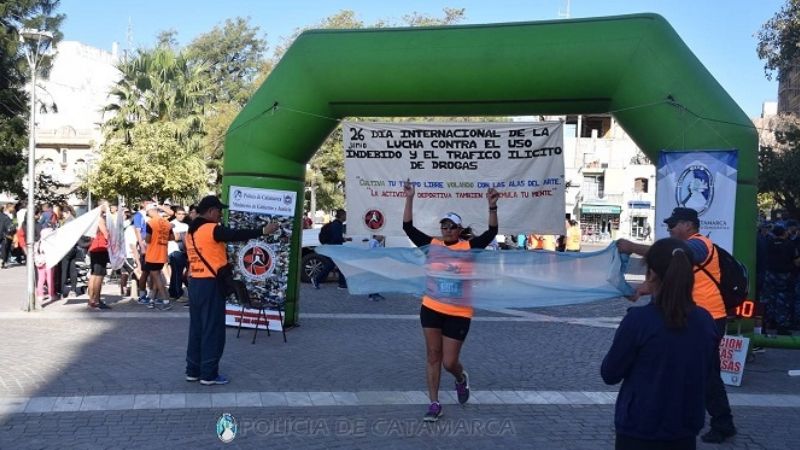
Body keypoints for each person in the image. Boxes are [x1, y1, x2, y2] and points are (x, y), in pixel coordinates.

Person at [617, 207, 737, 444]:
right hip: (687, 314)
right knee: (679, 370)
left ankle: (723, 423)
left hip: (707, 317)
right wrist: (643, 289)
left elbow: (673, 254)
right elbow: (669, 273)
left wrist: (632, 247)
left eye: (674, 225)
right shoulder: (685, 246)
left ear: (689, 225)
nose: (670, 229)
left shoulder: (701, 245)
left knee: (708, 373)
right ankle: (674, 417)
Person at [602, 238, 718, 450]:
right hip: (684, 428)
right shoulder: (705, 321)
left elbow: (610, 373)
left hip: (640, 427)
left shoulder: (639, 320)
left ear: (652, 274)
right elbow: (708, 373)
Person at [402, 179, 499, 422]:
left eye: (452, 227)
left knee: (449, 362)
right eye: (444, 226)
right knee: (433, 356)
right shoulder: (431, 246)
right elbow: (407, 227)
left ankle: (460, 378)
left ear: (459, 230)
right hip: (431, 308)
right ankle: (434, 403)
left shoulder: (469, 247)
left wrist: (492, 207)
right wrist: (410, 197)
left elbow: (492, 233)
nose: (447, 230)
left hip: (458, 312)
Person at [184, 195, 279, 386]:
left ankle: (192, 370)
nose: (221, 215)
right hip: (210, 285)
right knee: (213, 329)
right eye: (219, 211)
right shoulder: (211, 229)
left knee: (197, 328)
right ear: (211, 211)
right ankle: (209, 374)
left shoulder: (190, 232)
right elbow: (236, 234)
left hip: (195, 284)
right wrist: (263, 230)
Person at [760, 225, 800, 335]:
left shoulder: (768, 243)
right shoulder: (789, 245)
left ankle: (766, 323)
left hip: (769, 274)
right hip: (784, 275)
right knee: (782, 300)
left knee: (768, 299)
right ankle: (781, 325)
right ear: (784, 233)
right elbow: (797, 261)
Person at [137, 203, 174, 309]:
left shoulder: (151, 223)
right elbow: (172, 237)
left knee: (157, 278)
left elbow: (148, 239)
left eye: (148, 212)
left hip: (153, 254)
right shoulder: (167, 223)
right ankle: (152, 300)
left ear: (152, 211)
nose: (147, 214)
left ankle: (166, 301)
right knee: (155, 276)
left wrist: (146, 238)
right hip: (162, 253)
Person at [311, 209, 351, 289]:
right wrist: (345, 239)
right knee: (331, 265)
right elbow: (336, 238)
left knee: (339, 265)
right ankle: (316, 279)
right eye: (345, 215)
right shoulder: (337, 225)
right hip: (334, 248)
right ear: (342, 215)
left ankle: (342, 284)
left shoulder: (336, 224)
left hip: (333, 248)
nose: (346, 217)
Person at [87, 201, 111, 310]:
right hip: (100, 247)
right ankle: (96, 300)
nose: (108, 207)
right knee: (99, 275)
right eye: (107, 205)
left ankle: (91, 299)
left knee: (94, 274)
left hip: (94, 248)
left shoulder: (94, 217)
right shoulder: (100, 218)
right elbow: (106, 234)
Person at [168, 207, 189, 300]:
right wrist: (183, 235)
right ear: (175, 214)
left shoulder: (186, 225)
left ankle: (172, 292)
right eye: (179, 214)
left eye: (183, 214)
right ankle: (178, 294)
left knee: (177, 272)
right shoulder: (171, 224)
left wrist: (180, 235)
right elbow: (172, 237)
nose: (181, 216)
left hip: (183, 251)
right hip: (174, 251)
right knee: (177, 273)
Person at [367, 234, 386, 301]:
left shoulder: (377, 242)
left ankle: (375, 293)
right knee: (373, 278)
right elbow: (373, 251)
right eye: (381, 235)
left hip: (376, 263)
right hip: (373, 263)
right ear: (376, 235)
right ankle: (371, 295)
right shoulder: (373, 241)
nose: (383, 237)